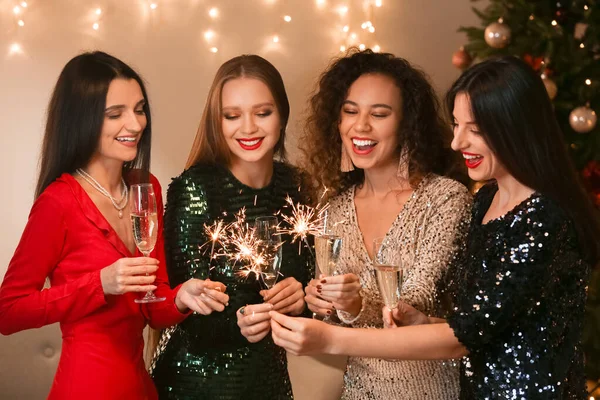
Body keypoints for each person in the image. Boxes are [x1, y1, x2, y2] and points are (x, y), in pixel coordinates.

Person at [270, 55, 600, 399]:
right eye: (457, 126)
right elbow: (479, 320)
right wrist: (419, 322)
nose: (457, 143)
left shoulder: (541, 218)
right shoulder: (487, 200)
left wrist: (333, 338)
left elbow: (463, 335)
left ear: (514, 127)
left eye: (474, 130)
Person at [0, 51, 229, 399]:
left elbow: (153, 307)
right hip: (87, 387)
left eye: (139, 110)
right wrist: (100, 283)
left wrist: (181, 297)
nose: (135, 124)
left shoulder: (145, 186)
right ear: (82, 120)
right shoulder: (58, 202)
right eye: (115, 114)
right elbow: (8, 311)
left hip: (140, 387)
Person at [299, 49, 471, 399]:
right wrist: (321, 301)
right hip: (358, 391)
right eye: (350, 112)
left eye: (379, 114)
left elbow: (417, 301)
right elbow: (332, 324)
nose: (361, 126)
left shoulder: (445, 199)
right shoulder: (332, 210)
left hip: (429, 390)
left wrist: (355, 304)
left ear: (406, 124)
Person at [150, 54, 313, 399]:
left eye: (262, 113)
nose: (248, 128)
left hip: (268, 384)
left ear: (281, 115)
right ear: (217, 122)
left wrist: (301, 299)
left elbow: (312, 289)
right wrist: (237, 320)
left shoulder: (297, 186)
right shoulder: (194, 189)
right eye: (232, 116)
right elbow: (187, 307)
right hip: (197, 385)